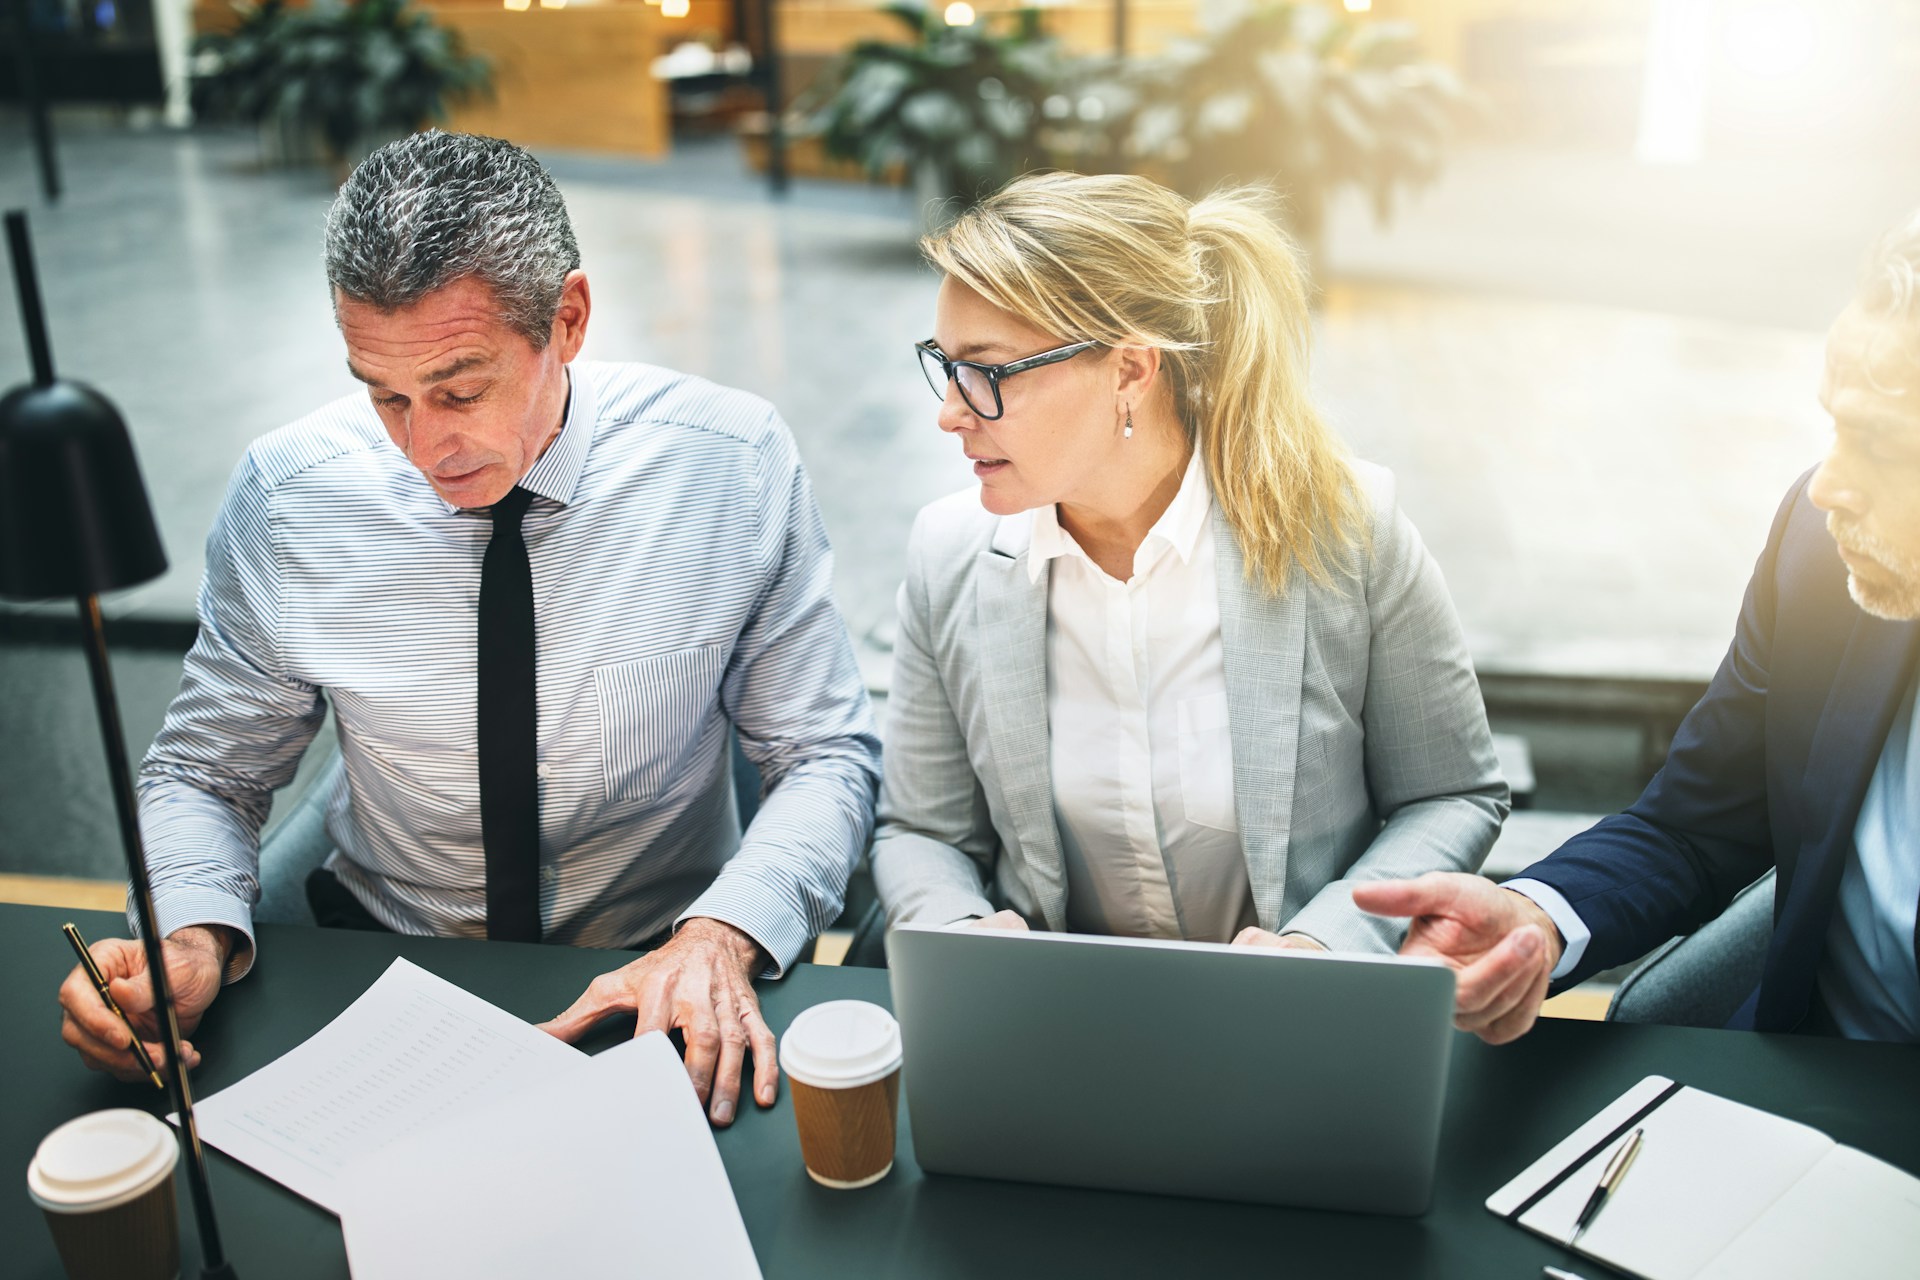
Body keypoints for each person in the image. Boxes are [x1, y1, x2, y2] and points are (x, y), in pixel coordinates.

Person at [56, 131, 881, 1125]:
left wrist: (720, 934)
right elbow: (207, 772)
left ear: (567, 320)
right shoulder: (290, 499)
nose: (423, 444)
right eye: (384, 393)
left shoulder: (730, 466)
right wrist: (188, 931)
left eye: (459, 388)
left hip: (659, 972)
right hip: (386, 963)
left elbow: (826, 751)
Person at [869, 171, 1508, 951]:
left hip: (1290, 1026)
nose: (950, 411)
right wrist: (960, 930)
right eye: (946, 363)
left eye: (989, 372)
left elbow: (1450, 794)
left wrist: (1327, 945)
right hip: (1051, 1021)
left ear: (1132, 371)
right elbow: (923, 830)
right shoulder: (951, 557)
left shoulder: (1346, 531)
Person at [1357, 211, 1920, 1045]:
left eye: (1875, 442)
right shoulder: (1818, 559)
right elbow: (1693, 826)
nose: (1827, 486)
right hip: (1810, 1074)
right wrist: (1530, 920)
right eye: (1834, 425)